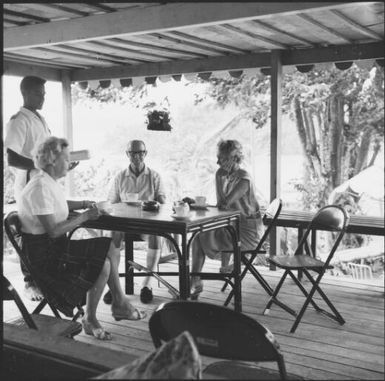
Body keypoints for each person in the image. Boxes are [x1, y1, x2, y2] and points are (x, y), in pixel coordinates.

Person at [18, 136, 145, 341]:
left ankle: (107, 309)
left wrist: (85, 203)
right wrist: (85, 216)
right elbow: (53, 231)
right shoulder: (39, 187)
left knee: (108, 254)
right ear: (52, 160)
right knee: (106, 255)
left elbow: (58, 203)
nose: (70, 163)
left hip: (55, 248)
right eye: (66, 158)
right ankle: (108, 310)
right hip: (45, 257)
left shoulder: (47, 182)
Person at [4, 75, 78, 301]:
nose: (43, 97)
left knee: (49, 231)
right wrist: (43, 166)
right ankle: (31, 282)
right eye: (38, 93)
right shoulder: (19, 120)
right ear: (25, 93)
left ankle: (49, 278)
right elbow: (12, 157)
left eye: (44, 94)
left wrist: (60, 164)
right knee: (33, 231)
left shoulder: (39, 119)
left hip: (46, 181)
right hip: (31, 183)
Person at [190, 139, 264, 298]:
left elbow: (224, 203)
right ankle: (195, 280)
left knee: (199, 236)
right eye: (218, 157)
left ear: (235, 158)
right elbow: (220, 205)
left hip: (246, 233)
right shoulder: (226, 175)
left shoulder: (244, 179)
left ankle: (195, 281)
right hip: (232, 226)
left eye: (222, 158)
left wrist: (218, 177)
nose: (217, 162)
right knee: (197, 236)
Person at [103, 140, 166, 304]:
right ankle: (114, 287)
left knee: (155, 234)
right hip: (125, 224)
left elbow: (163, 202)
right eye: (132, 153)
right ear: (127, 154)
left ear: (145, 153)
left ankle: (147, 284)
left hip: (146, 224)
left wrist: (157, 203)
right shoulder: (120, 177)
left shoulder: (154, 176)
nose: (136, 156)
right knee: (113, 234)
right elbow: (111, 202)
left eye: (140, 152)